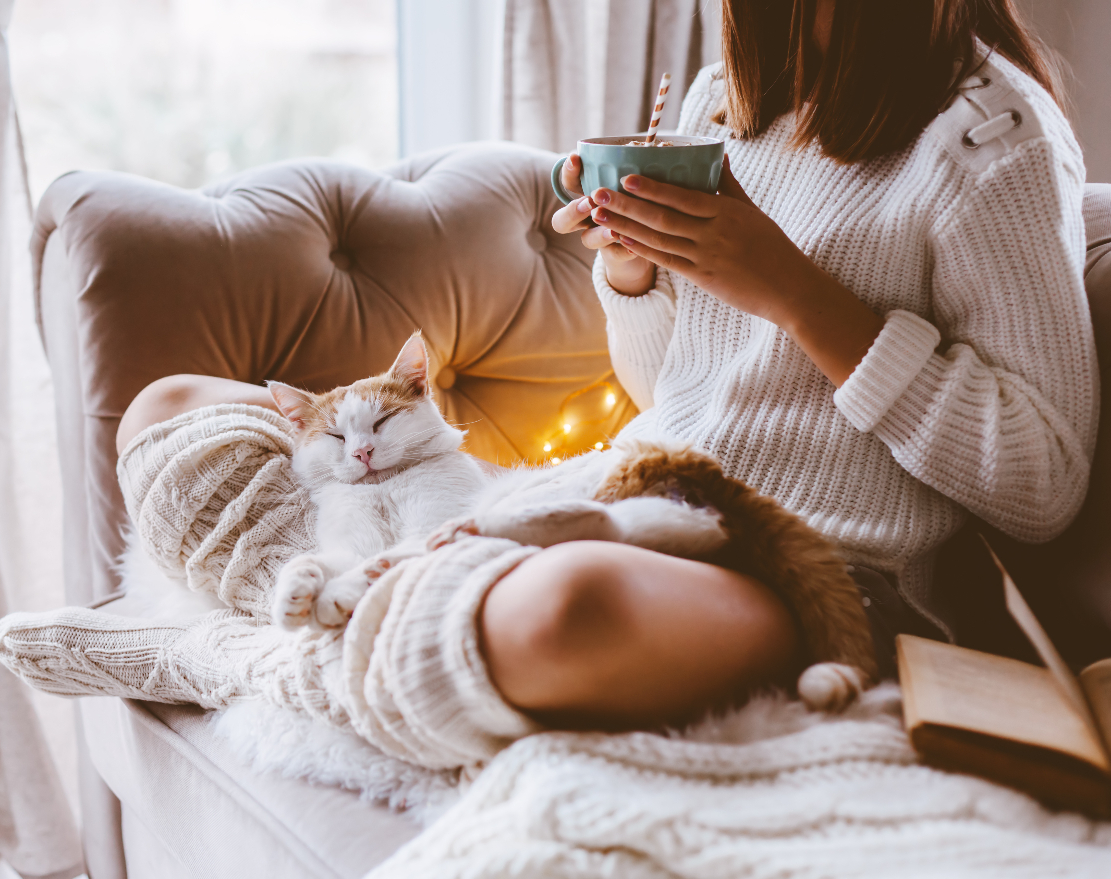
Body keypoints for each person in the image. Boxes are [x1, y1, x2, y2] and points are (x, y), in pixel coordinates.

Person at [117, 0, 1095, 731]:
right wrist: (635, 273)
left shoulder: (989, 140)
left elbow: (1041, 483)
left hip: (817, 571)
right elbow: (678, 388)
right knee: (170, 407)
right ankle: (375, 609)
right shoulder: (729, 97)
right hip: (631, 495)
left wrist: (799, 296)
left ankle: (284, 634)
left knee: (567, 617)